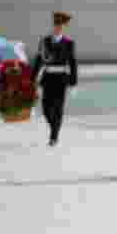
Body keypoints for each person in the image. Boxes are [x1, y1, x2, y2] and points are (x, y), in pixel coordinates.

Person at [32, 11, 78, 147]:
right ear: (53, 26)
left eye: (60, 25)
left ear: (64, 27)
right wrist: (32, 79)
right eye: (56, 25)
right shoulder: (45, 41)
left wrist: (73, 83)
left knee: (58, 108)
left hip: (61, 80)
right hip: (47, 79)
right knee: (46, 108)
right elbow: (38, 61)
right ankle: (54, 129)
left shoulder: (69, 43)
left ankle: (54, 136)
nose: (57, 28)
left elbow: (73, 63)